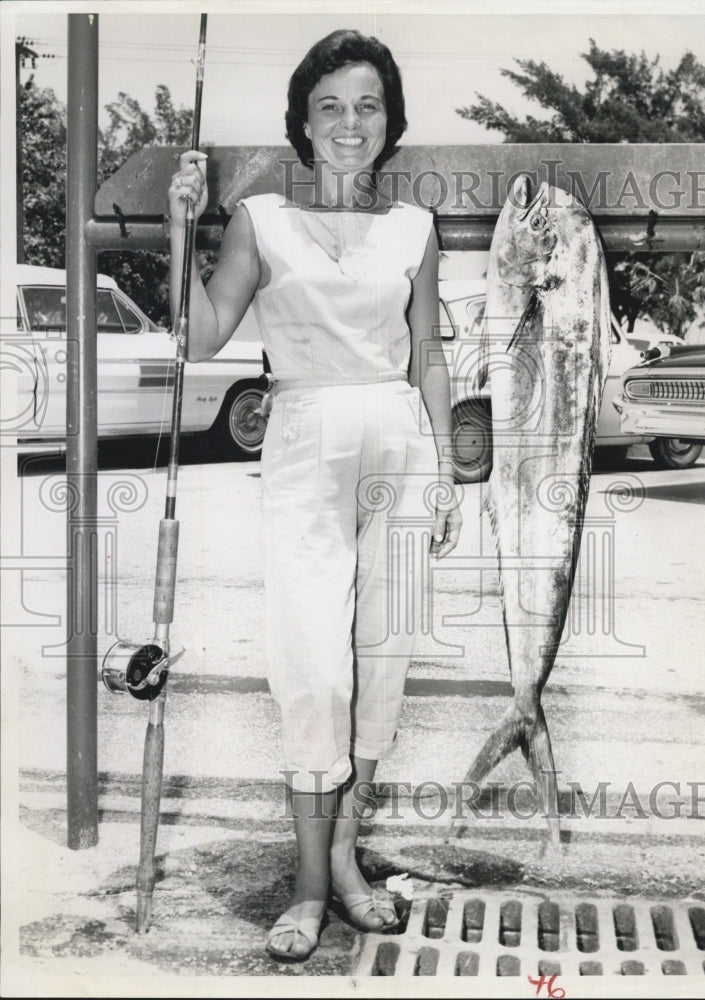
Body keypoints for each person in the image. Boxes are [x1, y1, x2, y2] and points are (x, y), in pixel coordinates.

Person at [167, 29, 462, 962]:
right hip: (302, 436)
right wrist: (182, 230)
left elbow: (429, 354)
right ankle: (303, 884)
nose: (348, 123)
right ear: (301, 121)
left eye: (366, 105)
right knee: (314, 667)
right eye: (329, 106)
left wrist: (447, 467)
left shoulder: (413, 228)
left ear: (390, 121)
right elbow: (203, 336)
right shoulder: (261, 219)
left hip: (401, 444)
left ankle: (342, 860)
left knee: (382, 657)